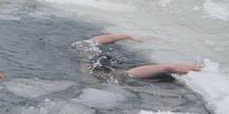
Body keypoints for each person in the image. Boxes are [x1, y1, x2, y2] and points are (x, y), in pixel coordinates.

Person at [73, 34, 202, 82]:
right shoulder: (113, 76)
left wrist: (128, 36)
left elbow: (93, 42)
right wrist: (127, 36)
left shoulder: (85, 54)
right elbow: (166, 68)